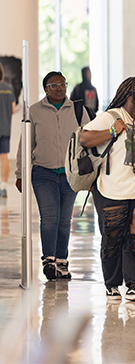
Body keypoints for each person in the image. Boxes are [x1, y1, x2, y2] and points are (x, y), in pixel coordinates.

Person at [80, 77, 135, 302]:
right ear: (130, 97)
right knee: (113, 238)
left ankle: (134, 285)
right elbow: (84, 137)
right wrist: (111, 132)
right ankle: (112, 285)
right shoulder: (112, 116)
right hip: (112, 189)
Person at [15, 71, 91, 280]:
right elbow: (26, 144)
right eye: (54, 85)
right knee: (49, 217)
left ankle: (62, 261)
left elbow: (88, 139)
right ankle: (49, 260)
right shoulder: (34, 111)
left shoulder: (78, 110)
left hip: (70, 173)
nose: (59, 88)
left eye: (62, 84)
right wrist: (21, 173)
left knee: (65, 220)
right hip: (43, 172)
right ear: (45, 89)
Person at [0, 63, 16, 198]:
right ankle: (3, 187)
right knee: (4, 157)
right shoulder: (9, 89)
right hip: (5, 128)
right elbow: (13, 110)